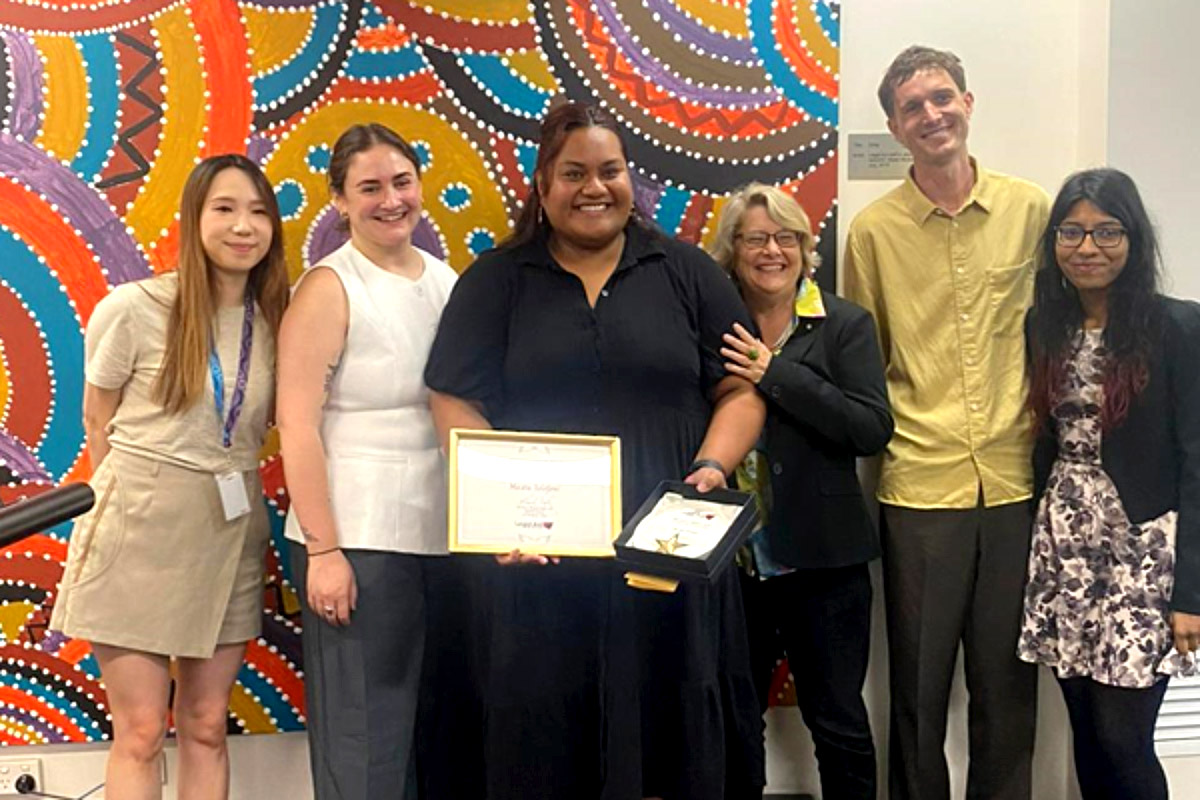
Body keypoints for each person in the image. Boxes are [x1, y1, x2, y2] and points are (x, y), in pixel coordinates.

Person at [423, 101, 766, 800]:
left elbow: (742, 389)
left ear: (630, 180)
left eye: (610, 171)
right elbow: (453, 399)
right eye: (573, 172)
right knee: (546, 734)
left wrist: (710, 468)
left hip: (667, 545)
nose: (594, 187)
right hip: (539, 555)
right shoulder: (494, 281)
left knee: (673, 727)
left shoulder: (688, 272)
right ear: (543, 184)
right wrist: (500, 514)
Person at [843, 45, 1049, 800]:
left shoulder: (1032, 209)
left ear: (968, 102)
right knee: (919, 692)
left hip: (1014, 481)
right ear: (895, 129)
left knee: (1007, 689)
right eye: (912, 107)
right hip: (918, 486)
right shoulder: (871, 232)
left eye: (941, 98)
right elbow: (866, 357)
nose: (931, 115)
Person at [50, 154, 288, 799]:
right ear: (194, 219)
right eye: (226, 209)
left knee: (207, 725)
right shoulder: (136, 307)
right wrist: (133, 507)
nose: (244, 226)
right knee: (140, 732)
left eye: (259, 212)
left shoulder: (277, 318)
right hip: (142, 529)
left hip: (232, 528)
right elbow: (96, 419)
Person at [276, 123, 458, 799]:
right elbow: (296, 424)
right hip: (356, 542)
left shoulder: (443, 280)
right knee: (364, 735)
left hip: (437, 538)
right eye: (370, 187)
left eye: (402, 182)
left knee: (425, 732)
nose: (390, 200)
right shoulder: (329, 286)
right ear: (340, 201)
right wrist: (324, 551)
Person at [1018, 167, 1200, 799]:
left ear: (1134, 239)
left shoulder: (1179, 328)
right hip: (1064, 545)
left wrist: (1192, 593)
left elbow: (1196, 459)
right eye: (1072, 231)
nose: (1087, 247)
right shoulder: (1044, 327)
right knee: (1087, 734)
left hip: (1142, 553)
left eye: (1106, 232)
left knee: (1126, 739)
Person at [711, 183, 891, 799]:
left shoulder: (844, 324)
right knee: (734, 718)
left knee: (838, 721)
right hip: (733, 561)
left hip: (826, 560)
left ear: (806, 249)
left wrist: (775, 373)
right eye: (756, 238)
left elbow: (870, 428)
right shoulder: (712, 323)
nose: (772, 250)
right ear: (732, 249)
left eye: (787, 237)